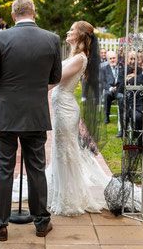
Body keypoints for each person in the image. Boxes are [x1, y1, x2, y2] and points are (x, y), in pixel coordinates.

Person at [0, 0, 62, 242]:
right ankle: (42, 223)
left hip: (5, 113)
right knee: (36, 168)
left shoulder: (0, 38)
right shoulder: (52, 39)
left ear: (14, 14)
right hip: (35, 113)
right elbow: (56, 76)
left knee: (3, 169)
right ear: (33, 12)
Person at [47, 21, 109, 216]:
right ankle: (61, 191)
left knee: (66, 152)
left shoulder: (79, 59)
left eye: (72, 29)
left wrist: (33, 88)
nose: (68, 31)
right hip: (61, 108)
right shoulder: (74, 56)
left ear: (81, 35)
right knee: (61, 150)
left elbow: (55, 79)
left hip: (66, 110)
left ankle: (69, 199)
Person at [101, 50, 124, 137]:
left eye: (114, 58)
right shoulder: (104, 68)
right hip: (109, 89)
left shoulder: (122, 67)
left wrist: (117, 88)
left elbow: (123, 80)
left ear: (117, 58)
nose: (112, 60)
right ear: (107, 59)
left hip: (119, 90)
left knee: (121, 97)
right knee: (106, 95)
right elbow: (102, 82)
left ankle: (121, 119)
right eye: (110, 58)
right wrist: (110, 88)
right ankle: (107, 115)